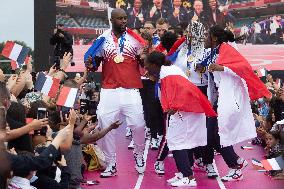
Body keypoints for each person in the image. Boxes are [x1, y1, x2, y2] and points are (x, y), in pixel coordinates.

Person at [203, 25, 272, 181]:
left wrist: (223, 68)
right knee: (212, 135)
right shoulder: (214, 51)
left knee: (219, 134)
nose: (205, 38)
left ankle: (235, 168)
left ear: (214, 38)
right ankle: (237, 162)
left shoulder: (226, 49)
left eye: (207, 35)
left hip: (229, 99)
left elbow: (243, 68)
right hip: (218, 100)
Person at [84, 8, 146, 178]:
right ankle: (111, 163)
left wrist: (143, 57)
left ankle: (139, 155)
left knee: (139, 125)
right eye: (120, 19)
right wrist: (90, 64)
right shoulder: (103, 39)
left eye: (125, 18)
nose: (124, 21)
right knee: (106, 126)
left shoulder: (135, 39)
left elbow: (143, 63)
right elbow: (94, 64)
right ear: (112, 20)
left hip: (131, 89)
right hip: (109, 90)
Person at [144, 51, 216, 187]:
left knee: (177, 142)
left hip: (186, 109)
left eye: (147, 67)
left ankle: (188, 177)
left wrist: (174, 105)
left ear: (154, 65)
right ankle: (184, 173)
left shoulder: (167, 73)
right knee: (178, 142)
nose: (146, 69)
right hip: (187, 109)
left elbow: (181, 90)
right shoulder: (168, 70)